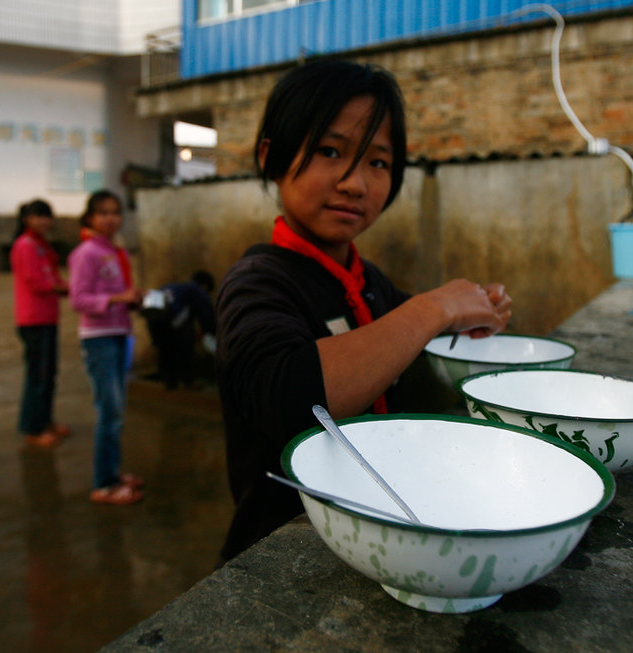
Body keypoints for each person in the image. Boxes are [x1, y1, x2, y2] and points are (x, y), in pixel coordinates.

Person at [215, 58, 513, 563]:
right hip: (285, 552)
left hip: (373, 534)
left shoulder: (368, 281)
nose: (355, 184)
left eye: (377, 162)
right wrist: (435, 307)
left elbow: (406, 344)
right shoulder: (256, 284)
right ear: (272, 157)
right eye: (330, 151)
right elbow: (293, 395)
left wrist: (473, 317)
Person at [68, 190, 146, 505]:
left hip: (117, 333)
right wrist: (117, 299)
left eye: (115, 212)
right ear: (90, 218)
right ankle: (103, 484)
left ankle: (111, 473)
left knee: (116, 411)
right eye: (102, 212)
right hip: (99, 338)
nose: (110, 218)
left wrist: (132, 299)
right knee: (109, 412)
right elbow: (78, 299)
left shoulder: (113, 251)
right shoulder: (86, 253)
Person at [11, 199, 71, 448]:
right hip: (33, 320)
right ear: (27, 219)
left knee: (48, 374)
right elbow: (36, 282)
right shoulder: (26, 246)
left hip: (47, 317)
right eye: (39, 216)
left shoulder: (41, 246)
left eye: (47, 216)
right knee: (37, 376)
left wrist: (65, 287)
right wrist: (60, 288)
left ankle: (45, 420)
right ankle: (32, 429)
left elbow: (52, 276)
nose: (44, 221)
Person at [140, 270, 217, 390]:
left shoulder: (171, 287)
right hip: (173, 318)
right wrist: (213, 332)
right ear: (205, 286)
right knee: (185, 347)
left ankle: (170, 382)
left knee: (165, 349)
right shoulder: (196, 290)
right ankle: (188, 381)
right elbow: (206, 315)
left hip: (154, 318)